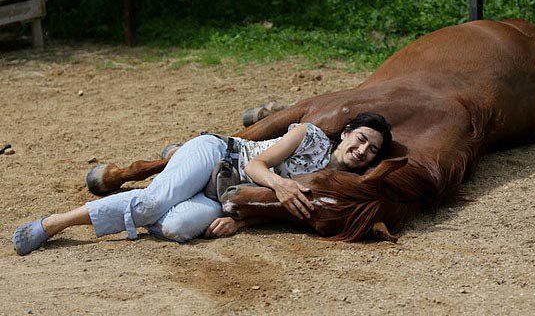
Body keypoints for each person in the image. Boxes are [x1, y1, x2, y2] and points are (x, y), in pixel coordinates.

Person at [13, 112, 392, 256]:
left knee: (177, 228)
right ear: (345, 133)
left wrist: (241, 221)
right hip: (219, 156)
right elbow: (259, 164)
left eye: (371, 150)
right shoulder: (309, 136)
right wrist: (280, 185)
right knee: (149, 207)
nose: (362, 150)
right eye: (360, 139)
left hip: (226, 196)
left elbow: (289, 214)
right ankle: (53, 223)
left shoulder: (341, 185)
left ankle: (157, 191)